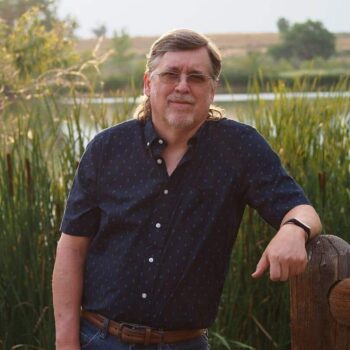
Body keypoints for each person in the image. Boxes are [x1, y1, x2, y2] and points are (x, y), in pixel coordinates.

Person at [52, 28, 322, 350]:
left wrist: (294, 229)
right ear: (148, 83)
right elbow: (72, 248)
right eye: (171, 75)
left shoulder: (240, 149)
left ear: (213, 89)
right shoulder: (107, 149)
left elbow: (303, 210)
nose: (182, 86)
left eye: (196, 77)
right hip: (98, 338)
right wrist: (66, 343)